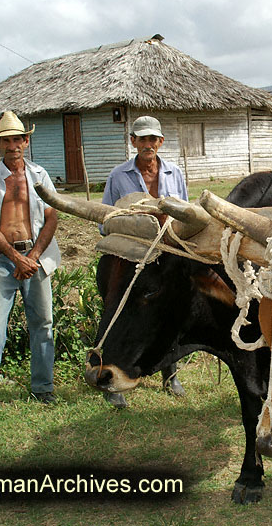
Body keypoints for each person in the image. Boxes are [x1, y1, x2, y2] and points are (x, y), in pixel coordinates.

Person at [0, 110, 61, 418]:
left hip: (35, 258)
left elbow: (52, 217)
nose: (12, 146)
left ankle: (43, 389)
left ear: (26, 141)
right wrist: (15, 257)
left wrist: (32, 257)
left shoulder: (39, 175)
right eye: (5, 141)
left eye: (17, 139)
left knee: (43, 325)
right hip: (2, 259)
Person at [101, 116, 188, 406]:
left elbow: (186, 215)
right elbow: (105, 220)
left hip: (167, 257)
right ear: (133, 142)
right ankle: (113, 381)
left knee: (168, 315)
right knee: (122, 316)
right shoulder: (118, 176)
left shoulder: (174, 173)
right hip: (131, 257)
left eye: (153, 139)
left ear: (160, 142)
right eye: (142, 139)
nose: (148, 144)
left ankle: (170, 374)